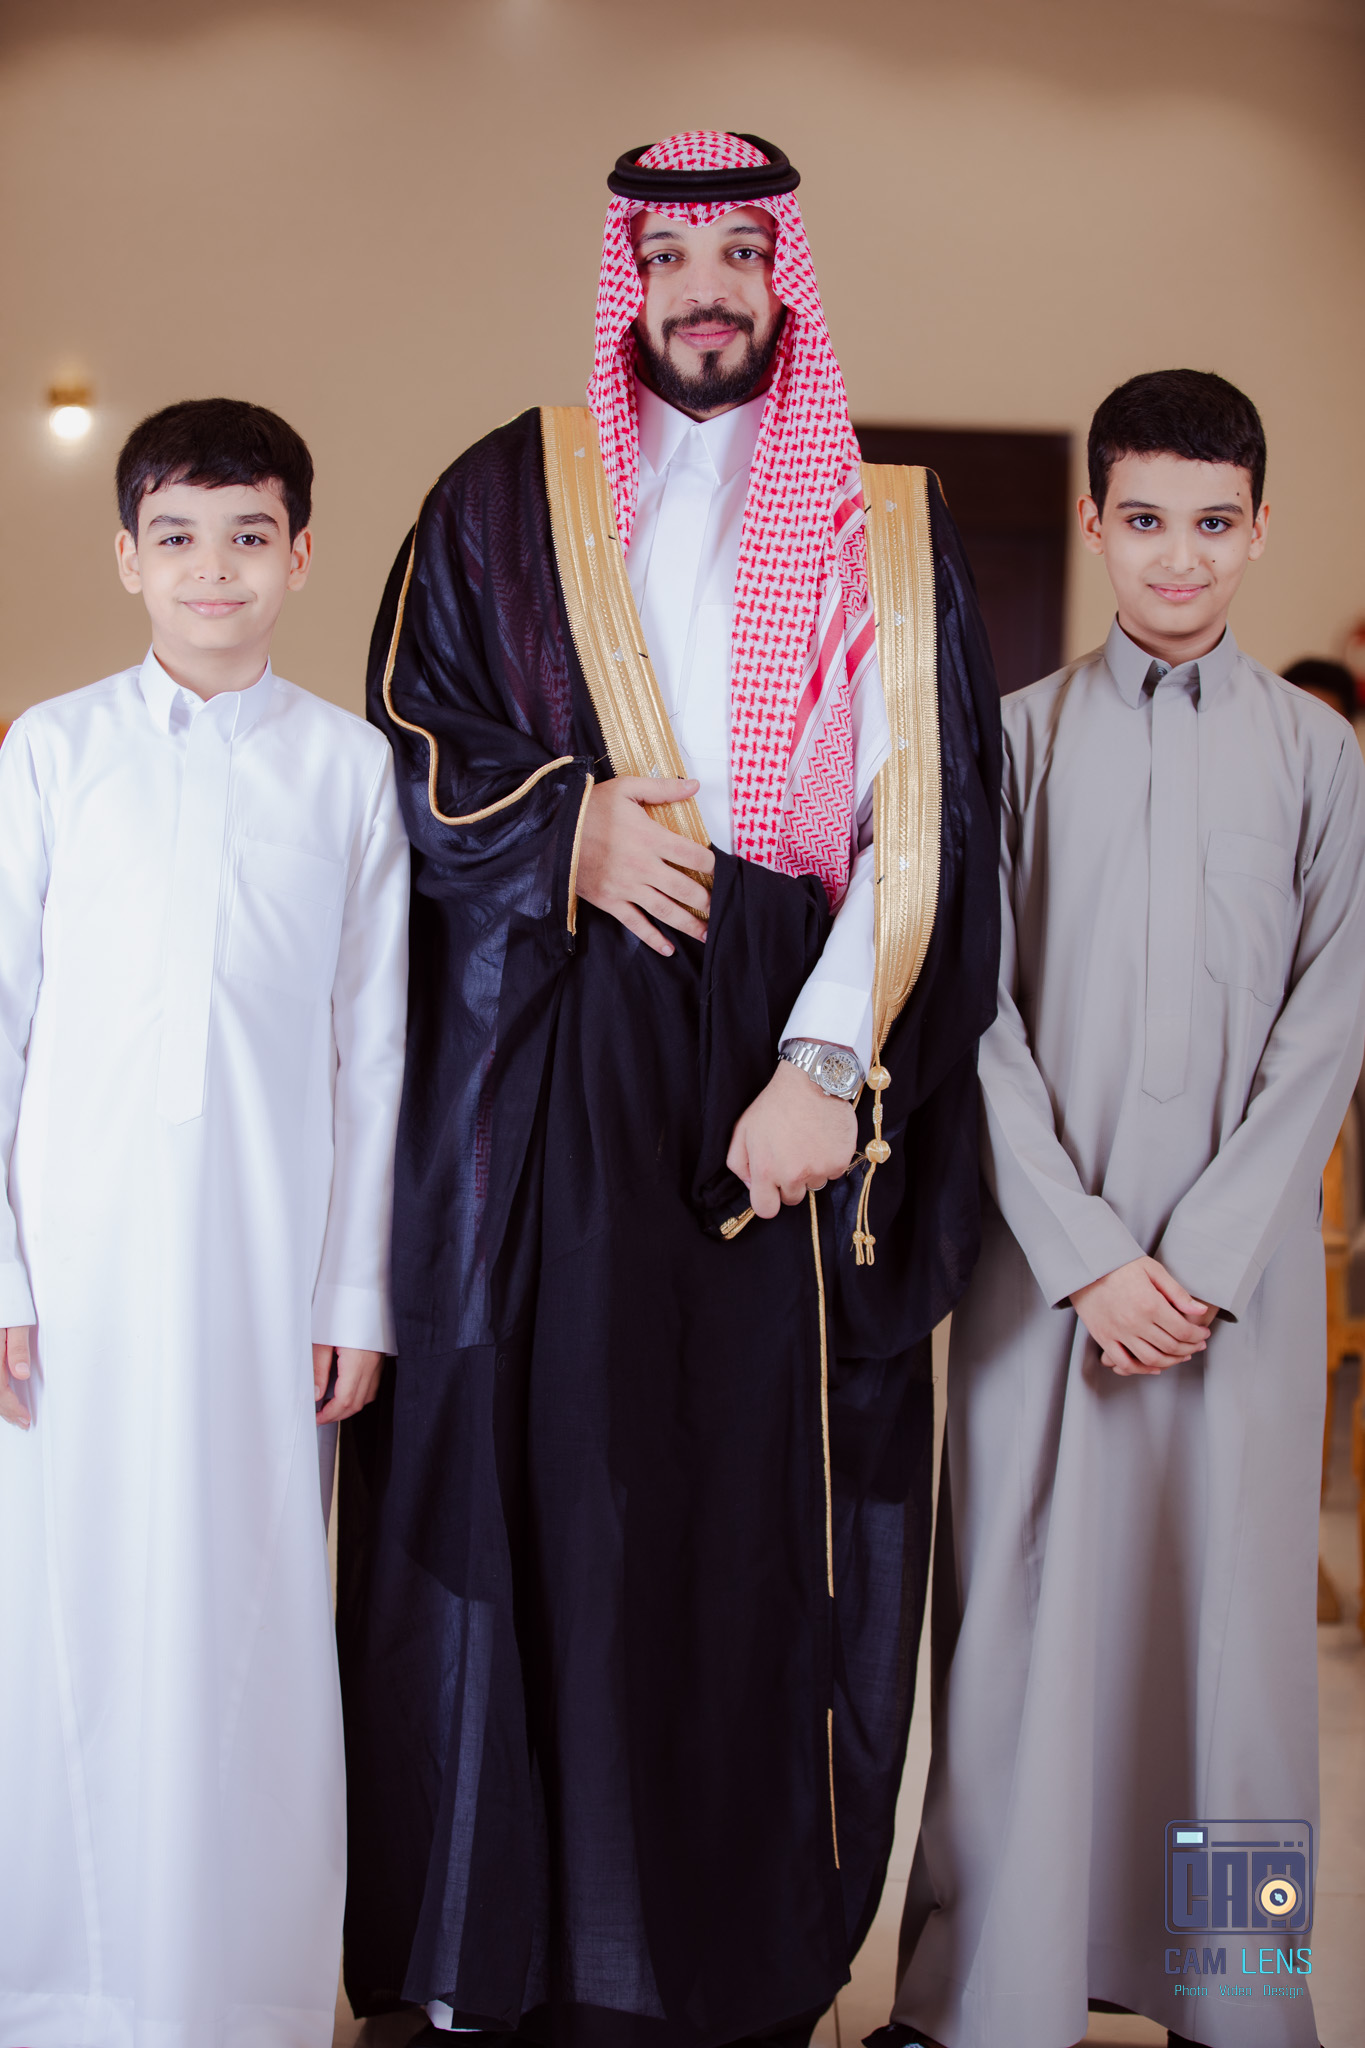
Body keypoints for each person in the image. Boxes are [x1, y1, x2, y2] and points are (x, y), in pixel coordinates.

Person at [338, 131, 1001, 2048]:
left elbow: (928, 824)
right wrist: (565, 832)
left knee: (739, 1518)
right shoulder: (503, 492)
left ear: (784, 277)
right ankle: (529, 1959)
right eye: (671, 256)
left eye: (737, 254)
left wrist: (823, 1066)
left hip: (778, 1070)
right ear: (628, 278)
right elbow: (409, 732)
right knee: (561, 1485)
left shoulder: (888, 528)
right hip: (560, 1055)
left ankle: (720, 1973)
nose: (704, 289)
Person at [882, 369, 1365, 2048]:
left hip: (1238, 1299)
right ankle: (987, 1997)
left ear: (1257, 529)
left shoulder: (1320, 756)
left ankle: (1238, 1999)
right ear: (1093, 522)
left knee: (1232, 1663)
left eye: (1212, 524)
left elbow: (1327, 1029)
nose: (1178, 557)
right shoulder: (1007, 741)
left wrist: (1204, 1266)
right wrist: (1088, 1260)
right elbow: (971, 1019)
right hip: (1045, 1285)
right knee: (1018, 1645)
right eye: (1144, 519)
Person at [0, 398, 409, 2048]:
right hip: (74, 1280)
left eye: (248, 537)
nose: (213, 570)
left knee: (248, 1617)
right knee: (69, 1615)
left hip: (264, 1271)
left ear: (301, 555)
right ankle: (62, 1989)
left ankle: (238, 1997)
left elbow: (372, 1051)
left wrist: (354, 1292)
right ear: (127, 558)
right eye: (176, 537)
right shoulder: (52, 752)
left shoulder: (349, 768)